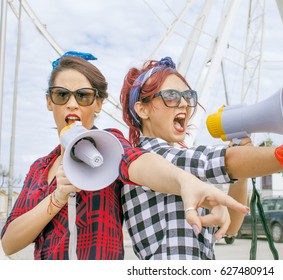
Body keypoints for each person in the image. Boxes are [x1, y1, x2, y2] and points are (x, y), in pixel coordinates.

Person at [119, 56, 283, 260]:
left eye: (188, 97)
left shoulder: (185, 172)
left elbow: (231, 227)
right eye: (171, 96)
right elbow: (218, 161)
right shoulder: (148, 158)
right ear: (141, 109)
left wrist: (242, 164)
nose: (184, 105)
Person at [0, 52, 249, 260]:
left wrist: (185, 180)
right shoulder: (39, 168)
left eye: (84, 95)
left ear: (98, 104)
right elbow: (9, 242)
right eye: (61, 95)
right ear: (48, 102)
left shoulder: (110, 145)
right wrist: (57, 197)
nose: (72, 104)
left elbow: (139, 162)